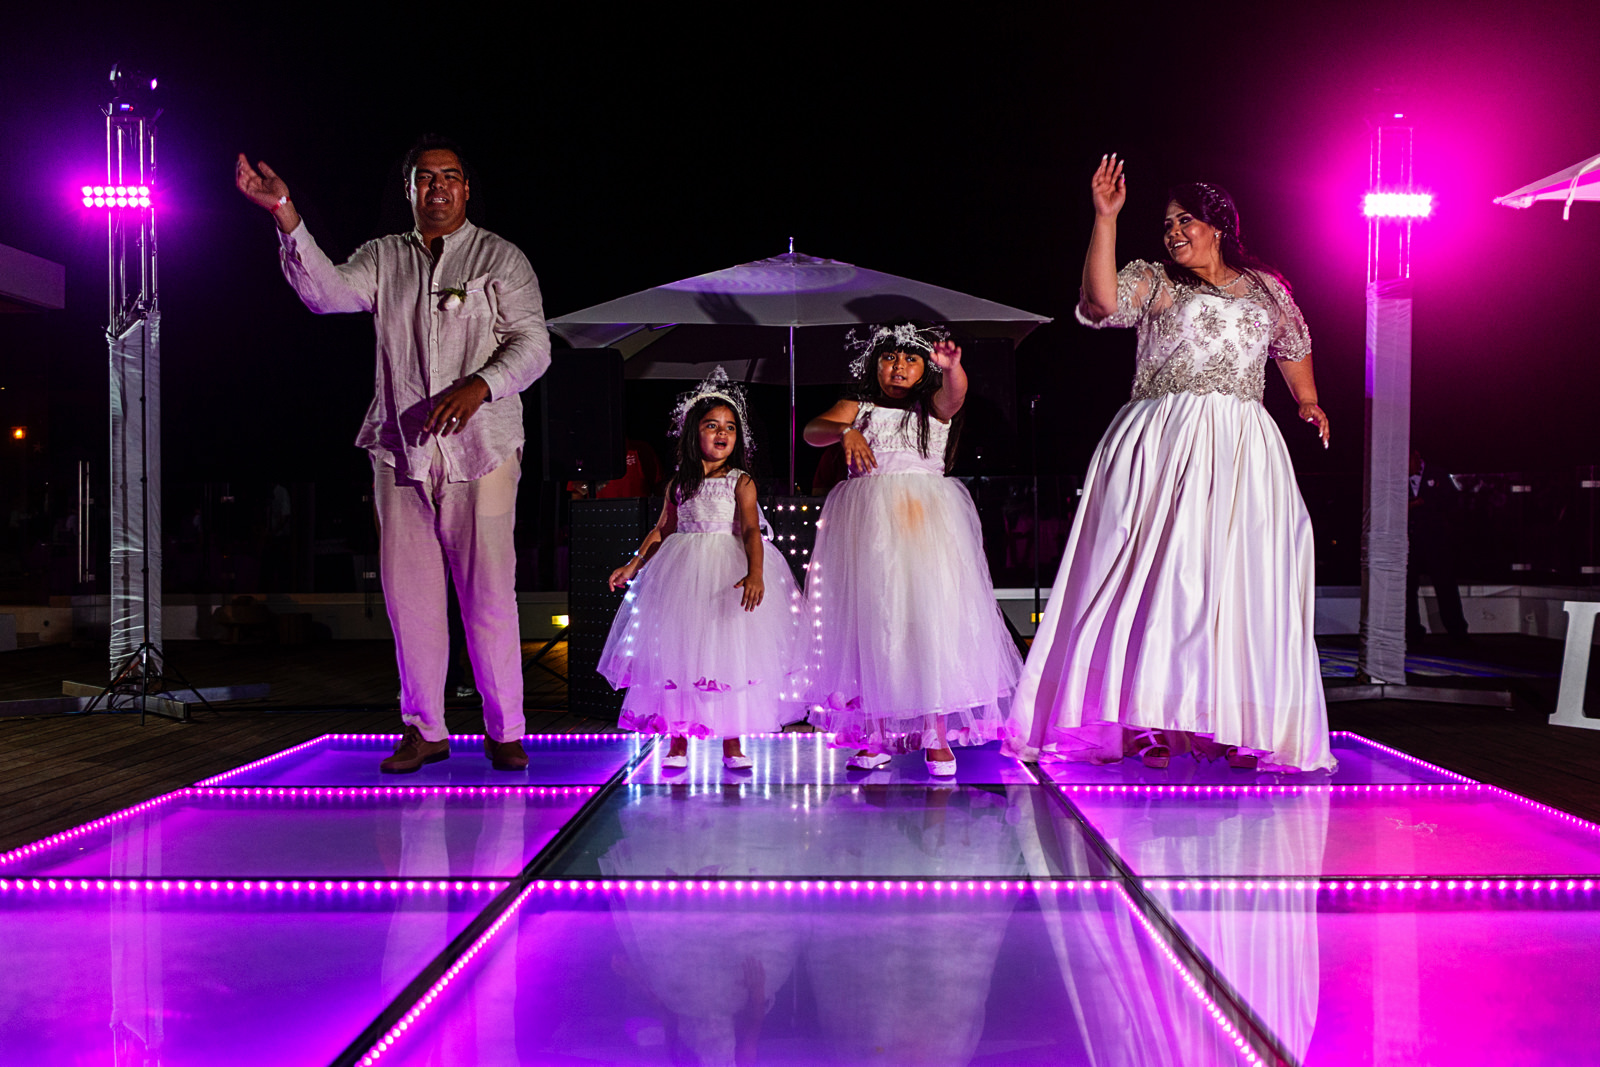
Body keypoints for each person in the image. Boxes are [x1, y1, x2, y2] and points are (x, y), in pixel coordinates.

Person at [234, 136, 550, 773]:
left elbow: (535, 345)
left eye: (451, 177)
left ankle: (505, 728)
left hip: (482, 452)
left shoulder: (500, 257)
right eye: (425, 178)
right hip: (399, 450)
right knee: (410, 597)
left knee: (489, 591)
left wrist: (479, 384)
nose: (438, 188)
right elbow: (325, 293)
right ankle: (426, 729)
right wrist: (285, 212)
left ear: (466, 188)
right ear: (409, 190)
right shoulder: (385, 256)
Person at [1013, 156, 1335, 773]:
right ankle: (1144, 719)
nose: (1172, 233)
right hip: (1162, 437)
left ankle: (1233, 718)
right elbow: (1101, 303)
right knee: (1159, 575)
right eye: (1165, 224)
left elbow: (1293, 345)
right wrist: (1105, 219)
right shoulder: (1155, 280)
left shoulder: (1268, 288)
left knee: (1236, 579)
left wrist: (1309, 401)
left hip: (1242, 444)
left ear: (1218, 224)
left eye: (1184, 220)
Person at [803, 323, 1024, 777]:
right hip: (869, 530)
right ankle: (878, 733)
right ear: (874, 366)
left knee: (930, 622)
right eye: (889, 359)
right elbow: (813, 430)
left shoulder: (932, 407)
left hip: (925, 525)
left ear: (924, 368)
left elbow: (955, 396)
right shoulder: (857, 407)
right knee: (874, 623)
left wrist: (953, 368)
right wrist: (845, 431)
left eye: (909, 359)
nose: (898, 367)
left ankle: (936, 732)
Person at [599, 369, 805, 768]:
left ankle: (732, 743)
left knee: (729, 655)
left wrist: (756, 572)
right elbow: (663, 529)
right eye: (712, 425)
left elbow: (749, 529)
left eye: (729, 427)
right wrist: (634, 564)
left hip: (726, 575)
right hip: (682, 577)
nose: (721, 433)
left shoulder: (740, 481)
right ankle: (678, 741)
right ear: (695, 433)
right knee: (681, 655)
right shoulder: (679, 482)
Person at [1406, 449, 1469, 643]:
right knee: (1407, 588)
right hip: (1409, 542)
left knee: (1445, 586)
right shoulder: (1395, 476)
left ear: (1416, 456)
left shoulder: (1438, 474)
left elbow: (1451, 503)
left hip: (1436, 541)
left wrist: (1424, 504)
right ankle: (1411, 632)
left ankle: (1457, 631)